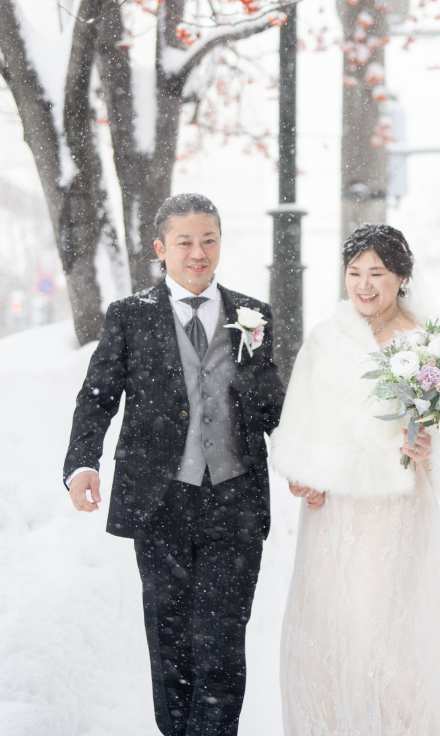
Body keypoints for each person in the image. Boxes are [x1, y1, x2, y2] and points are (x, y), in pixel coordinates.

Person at [270, 223, 440, 736]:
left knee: (383, 641)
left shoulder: (429, 343)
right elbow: (302, 420)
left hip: (397, 513)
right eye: (354, 273)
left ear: (401, 276)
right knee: (325, 636)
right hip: (332, 514)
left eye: (377, 273)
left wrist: (429, 446)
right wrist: (303, 475)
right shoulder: (327, 338)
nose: (364, 284)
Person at [63, 193, 284, 736]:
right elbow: (98, 395)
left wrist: (253, 375)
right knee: (170, 639)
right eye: (185, 241)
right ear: (161, 248)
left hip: (234, 501)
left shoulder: (252, 316)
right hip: (161, 499)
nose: (198, 252)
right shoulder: (129, 316)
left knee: (223, 640)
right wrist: (81, 462)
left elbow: (273, 407)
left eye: (209, 239)